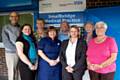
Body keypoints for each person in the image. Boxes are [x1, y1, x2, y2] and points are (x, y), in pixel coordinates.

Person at [2, 11, 20, 80]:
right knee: (12, 72)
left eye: (16, 16)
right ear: (9, 18)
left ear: (18, 18)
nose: (14, 18)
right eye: (12, 16)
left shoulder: (20, 27)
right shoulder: (6, 28)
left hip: (20, 53)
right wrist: (17, 50)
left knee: (19, 72)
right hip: (11, 53)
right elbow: (6, 43)